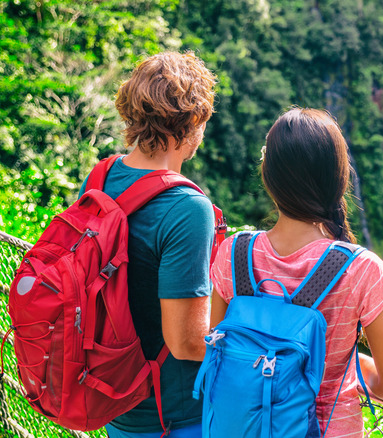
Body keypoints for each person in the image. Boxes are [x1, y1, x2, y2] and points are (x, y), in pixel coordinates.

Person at [209, 107, 383, 437]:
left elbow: (219, 348)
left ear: (268, 176)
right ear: (338, 178)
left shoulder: (233, 253)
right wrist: (352, 364)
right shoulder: (361, 270)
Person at [79, 52, 217, 438]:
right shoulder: (188, 209)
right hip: (173, 417)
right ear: (192, 123)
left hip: (113, 399)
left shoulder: (100, 177)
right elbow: (186, 343)